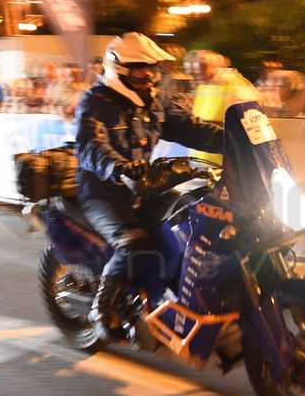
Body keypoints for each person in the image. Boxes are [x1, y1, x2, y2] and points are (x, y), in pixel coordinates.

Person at [74, 33, 223, 340]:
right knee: (134, 241)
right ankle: (102, 309)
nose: (149, 75)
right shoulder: (96, 102)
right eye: (140, 68)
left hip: (144, 186)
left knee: (189, 219)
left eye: (152, 68)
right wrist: (118, 166)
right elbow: (90, 146)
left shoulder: (155, 101)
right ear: (119, 70)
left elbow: (191, 128)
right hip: (103, 191)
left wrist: (235, 139)